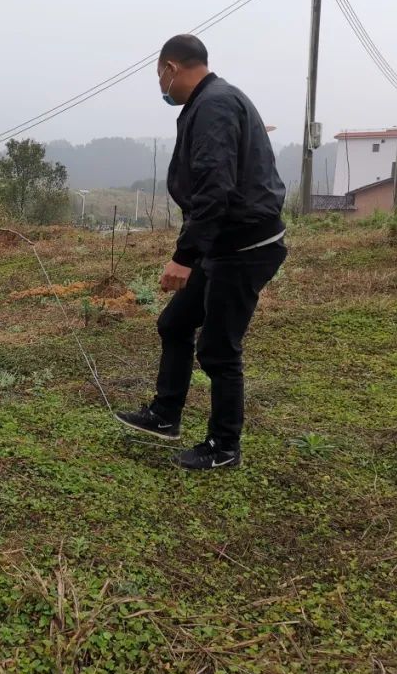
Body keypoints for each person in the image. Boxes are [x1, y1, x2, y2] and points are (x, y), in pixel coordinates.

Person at [115, 35, 287, 470]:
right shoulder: (213, 103)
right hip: (222, 243)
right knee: (175, 323)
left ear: (172, 68)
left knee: (218, 349)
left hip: (244, 245)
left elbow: (215, 187)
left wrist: (184, 256)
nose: (161, 86)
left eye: (159, 75)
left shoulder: (215, 104)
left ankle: (224, 447)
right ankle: (164, 415)